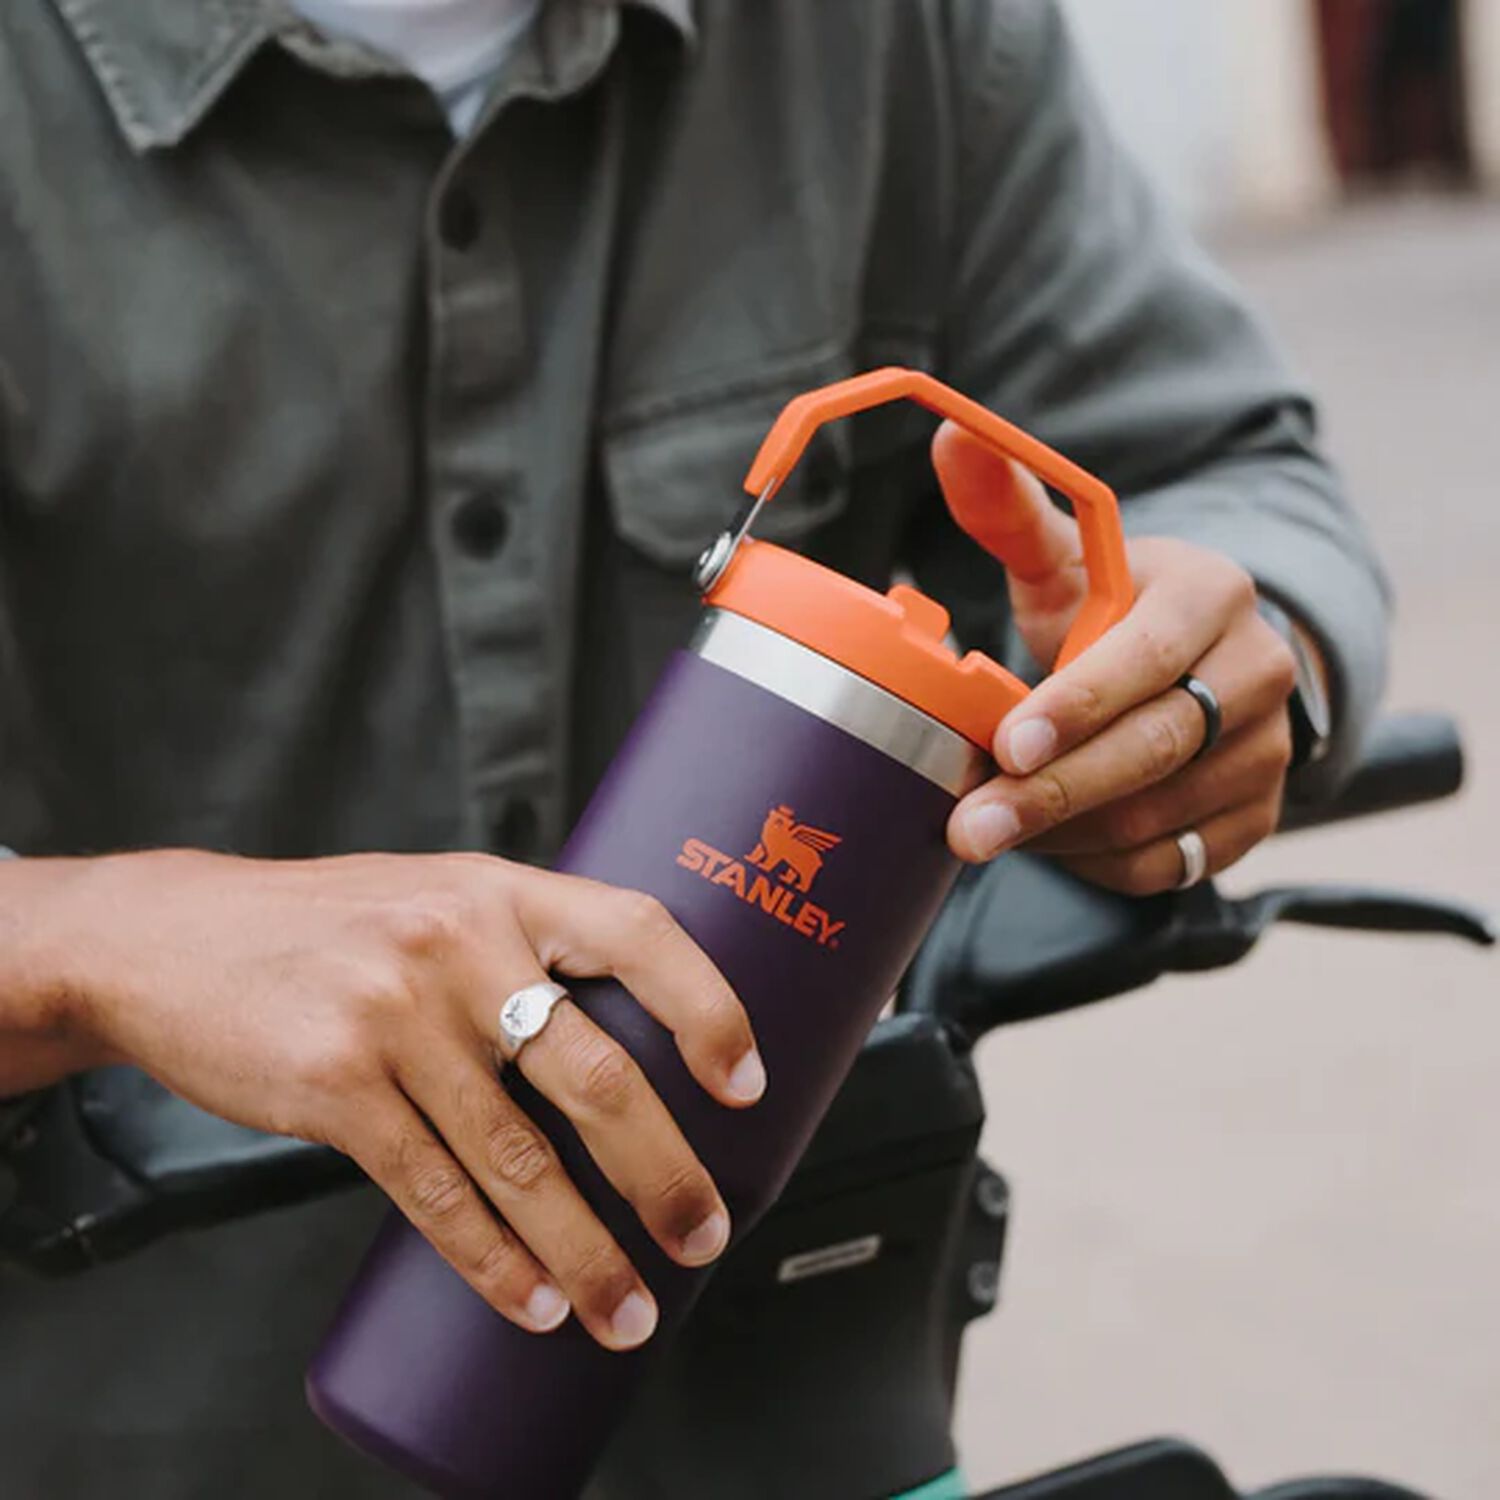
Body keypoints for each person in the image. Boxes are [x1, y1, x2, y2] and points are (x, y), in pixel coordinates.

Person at [0, 0, 1389, 1494]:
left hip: (789, 1401)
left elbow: (1232, 474)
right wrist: (92, 942)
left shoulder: (891, 40)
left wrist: (1220, 680)